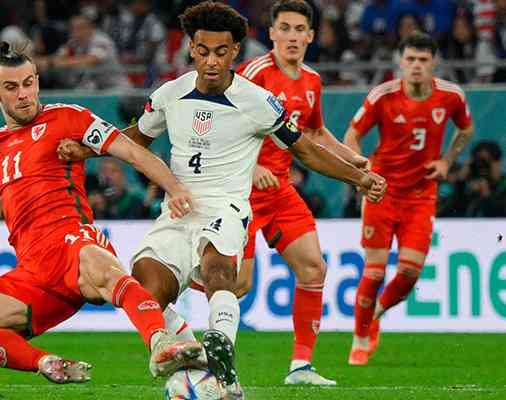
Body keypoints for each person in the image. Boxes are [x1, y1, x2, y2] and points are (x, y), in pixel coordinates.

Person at [57, 2, 386, 397]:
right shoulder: (170, 94)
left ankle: (222, 351)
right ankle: (191, 364)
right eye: (203, 50)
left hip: (227, 207)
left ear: (235, 52)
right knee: (145, 283)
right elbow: (136, 138)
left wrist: (357, 177)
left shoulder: (258, 102)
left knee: (217, 265)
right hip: (177, 210)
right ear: (191, 49)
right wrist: (85, 150)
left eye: (221, 51)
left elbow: (305, 149)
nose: (211, 61)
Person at [0, 41, 203, 384]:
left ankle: (159, 345)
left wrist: (175, 188)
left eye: (29, 83)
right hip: (34, 273)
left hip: (71, 241)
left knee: (106, 272)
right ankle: (46, 363)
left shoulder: (69, 117)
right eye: (11, 87)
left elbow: (133, 152)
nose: (24, 94)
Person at [235, 0, 370, 385]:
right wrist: (253, 165)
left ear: (310, 36)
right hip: (240, 190)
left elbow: (313, 133)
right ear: (272, 33)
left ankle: (300, 367)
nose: (292, 36)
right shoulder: (253, 74)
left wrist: (353, 160)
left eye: (299, 30)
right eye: (285, 29)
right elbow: (225, 126)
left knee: (313, 268)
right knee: (239, 285)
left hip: (280, 190)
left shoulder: (311, 80)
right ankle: (180, 277)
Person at [343, 32, 474, 365]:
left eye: (423, 60)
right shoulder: (383, 96)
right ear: (400, 62)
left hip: (420, 196)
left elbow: (466, 130)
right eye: (410, 59)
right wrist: (362, 172)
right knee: (373, 272)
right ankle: (359, 339)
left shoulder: (451, 97)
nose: (416, 66)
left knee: (410, 273)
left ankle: (375, 315)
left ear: (434, 63)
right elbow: (352, 136)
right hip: (382, 192)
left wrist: (447, 160)